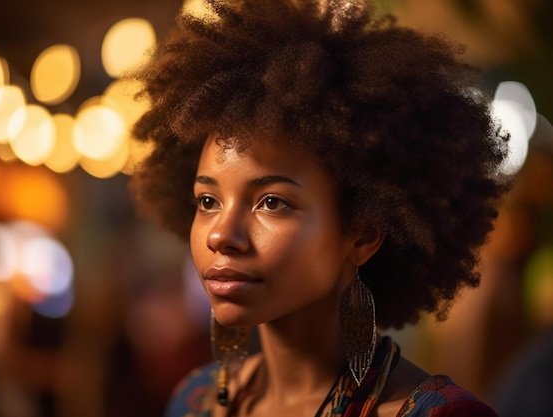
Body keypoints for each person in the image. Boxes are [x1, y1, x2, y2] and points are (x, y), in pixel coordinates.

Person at [128, 0, 510, 415]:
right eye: (208, 201)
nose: (221, 235)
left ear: (362, 233)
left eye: (271, 202)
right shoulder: (194, 402)